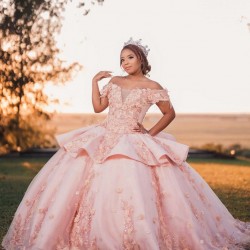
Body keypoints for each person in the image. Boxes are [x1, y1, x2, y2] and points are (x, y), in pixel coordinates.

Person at [2, 37, 250, 250]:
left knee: (135, 187)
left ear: (140, 59)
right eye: (122, 59)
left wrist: (150, 134)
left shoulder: (153, 87)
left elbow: (169, 113)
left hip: (132, 140)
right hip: (104, 134)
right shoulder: (115, 82)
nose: (125, 63)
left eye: (129, 57)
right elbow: (98, 107)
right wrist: (94, 82)